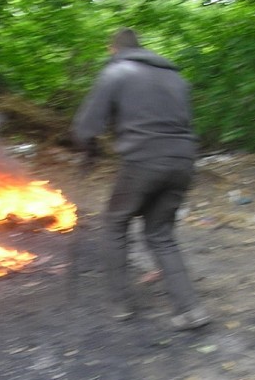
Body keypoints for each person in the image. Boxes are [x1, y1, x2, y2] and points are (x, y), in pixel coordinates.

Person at [71, 28, 210, 330]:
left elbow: (86, 125)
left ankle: (120, 303)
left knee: (114, 224)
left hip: (144, 159)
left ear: (113, 48)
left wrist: (88, 153)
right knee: (160, 233)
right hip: (184, 160)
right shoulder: (175, 77)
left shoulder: (117, 72)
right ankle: (190, 309)